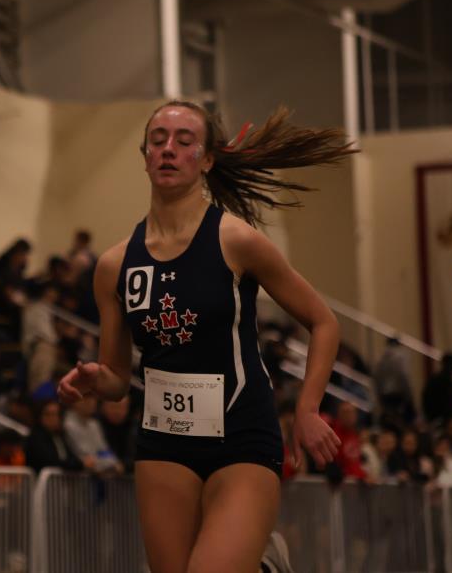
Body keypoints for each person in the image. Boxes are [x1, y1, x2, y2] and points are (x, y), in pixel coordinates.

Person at [57, 100, 349, 573]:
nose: (168, 149)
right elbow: (116, 379)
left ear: (207, 159)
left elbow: (323, 322)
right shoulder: (114, 265)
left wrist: (308, 409)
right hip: (163, 443)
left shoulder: (237, 240)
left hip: (241, 436)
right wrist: (95, 378)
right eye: (157, 141)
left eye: (184, 141)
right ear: (145, 156)